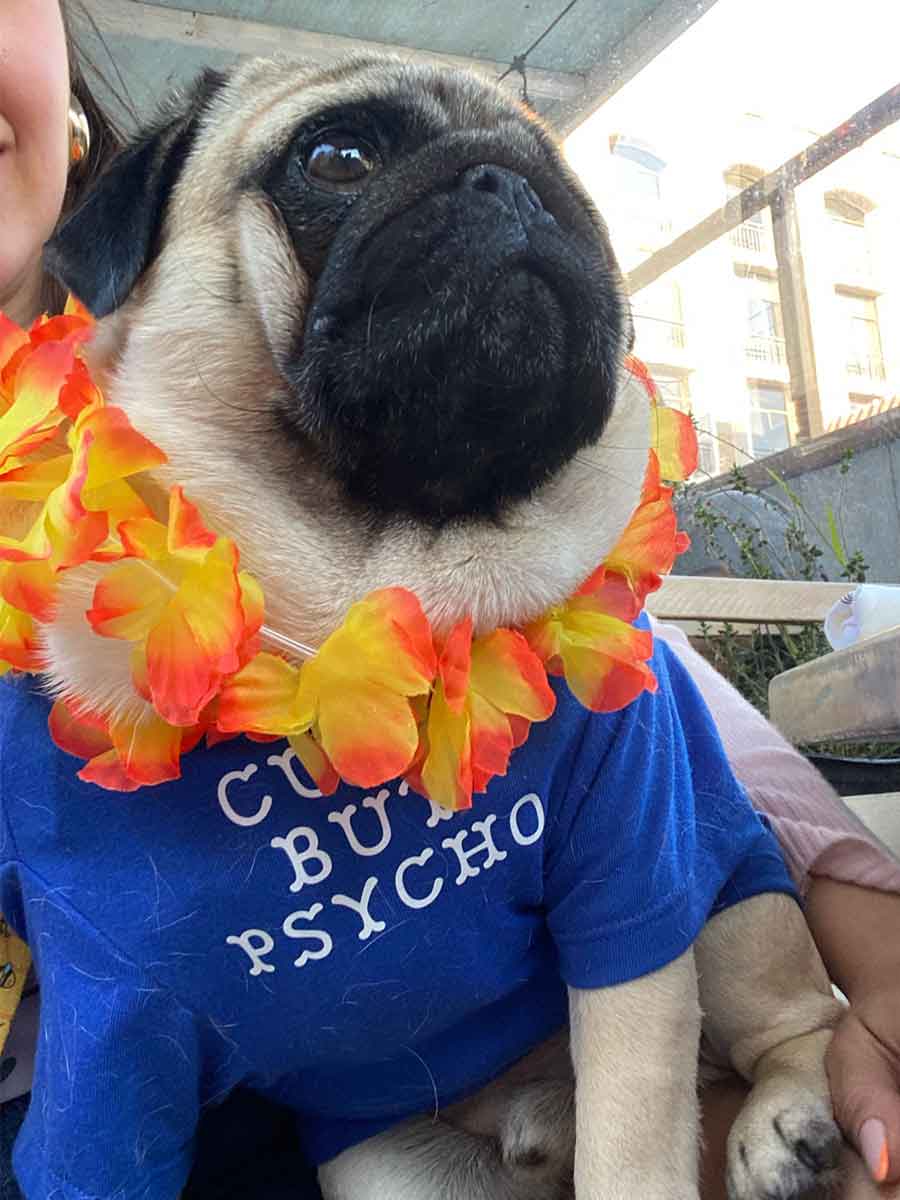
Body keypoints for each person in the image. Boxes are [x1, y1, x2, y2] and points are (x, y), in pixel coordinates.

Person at [0, 4, 898, 1197]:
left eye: (547, 189)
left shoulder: (579, 649)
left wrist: (865, 932)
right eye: (338, 163)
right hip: (371, 1117)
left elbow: (664, 719)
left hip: (638, 1033)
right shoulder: (56, 669)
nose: (500, 203)